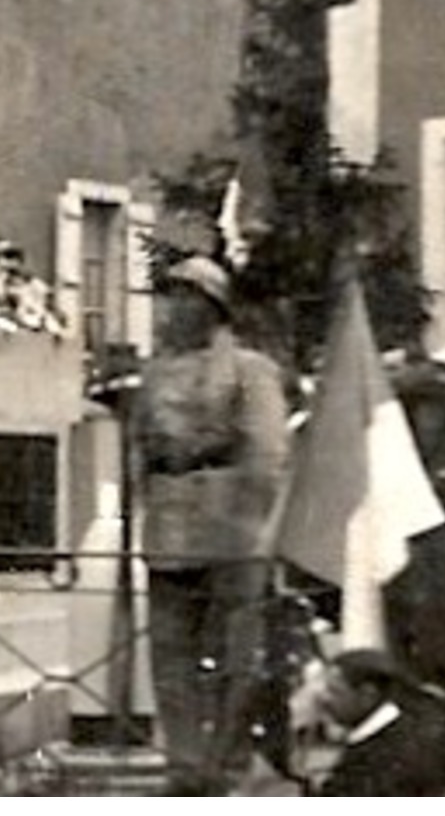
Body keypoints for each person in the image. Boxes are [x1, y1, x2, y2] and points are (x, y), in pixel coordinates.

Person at [131, 255, 289, 795]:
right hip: (169, 524)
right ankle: (183, 761)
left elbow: (267, 453)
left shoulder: (249, 369)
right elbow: (139, 450)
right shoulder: (153, 374)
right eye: (171, 295)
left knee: (235, 653)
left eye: (187, 296)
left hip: (232, 526)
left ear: (213, 307)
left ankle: (224, 761)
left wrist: (251, 527)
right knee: (169, 653)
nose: (174, 308)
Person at [315, 648, 445, 796]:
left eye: (334, 691)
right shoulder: (399, 734)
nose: (323, 699)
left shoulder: (388, 758)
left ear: (367, 695)